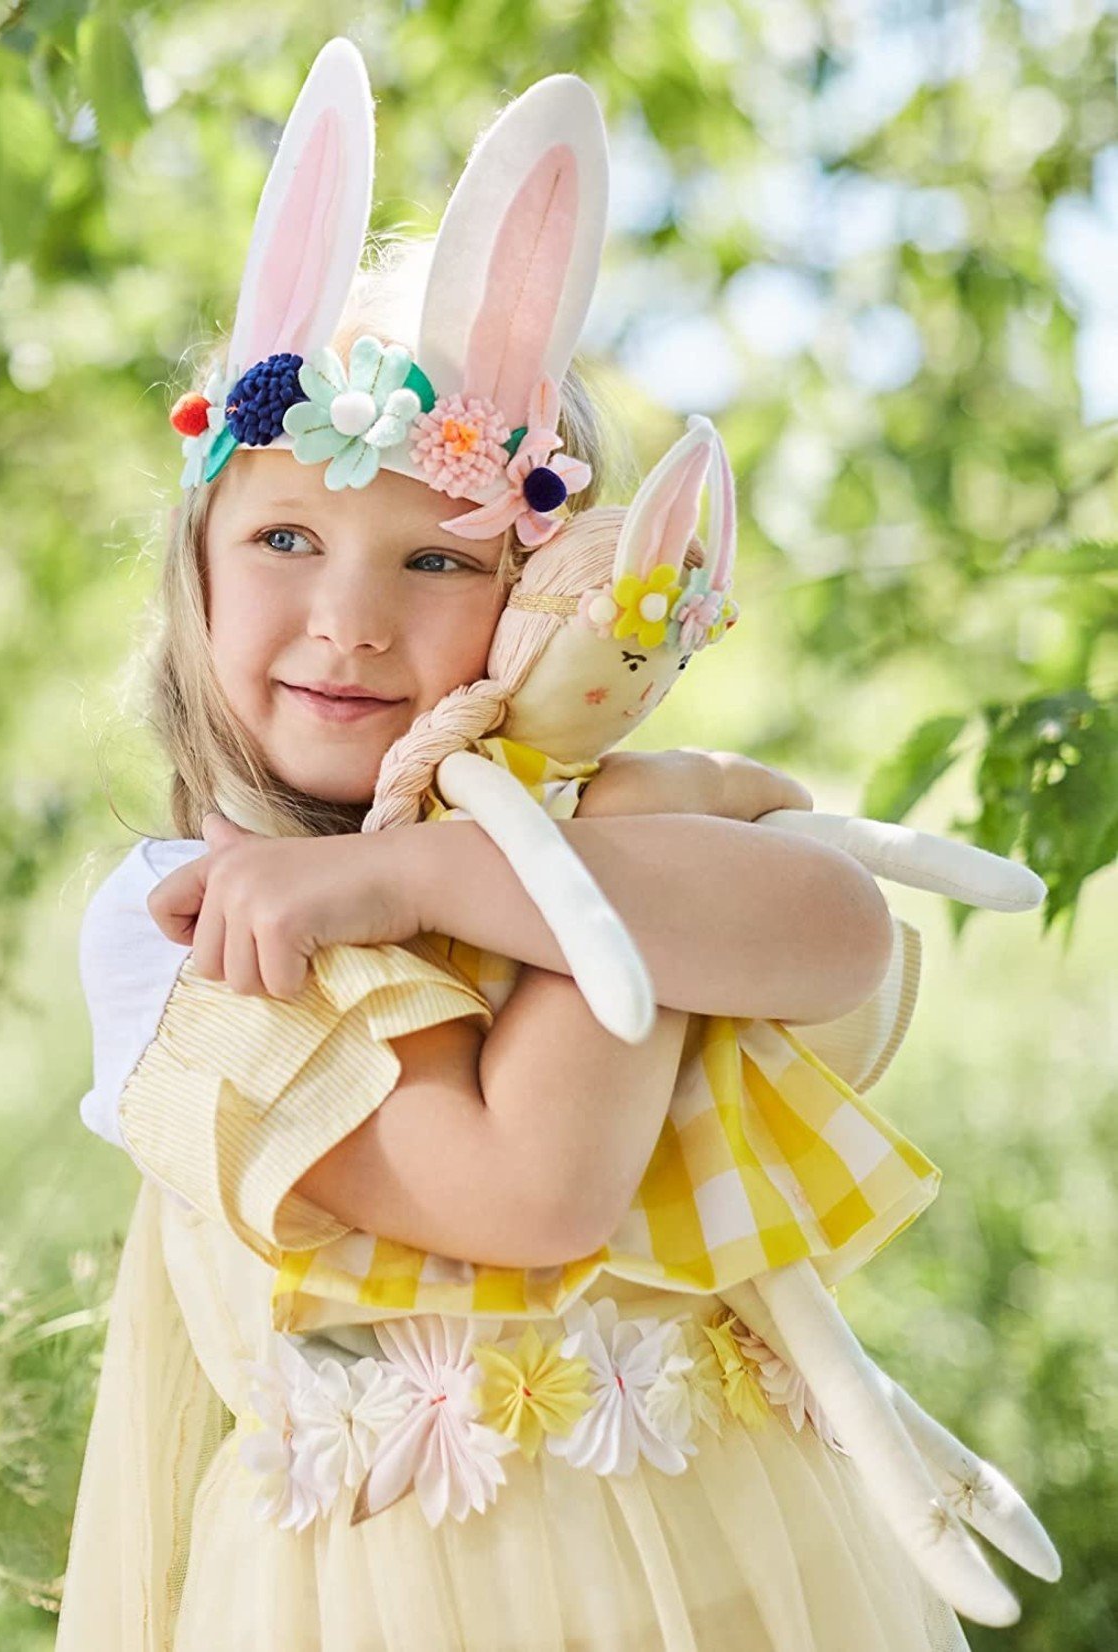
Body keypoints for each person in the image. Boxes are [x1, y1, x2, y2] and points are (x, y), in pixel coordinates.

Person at [55, 42, 976, 1651]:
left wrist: (456, 856)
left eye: (435, 558)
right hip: (406, 1597)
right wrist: (589, 862)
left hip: (734, 1567)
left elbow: (843, 934)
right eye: (285, 538)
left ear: (547, 606)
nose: (350, 620)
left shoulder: (584, 825)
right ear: (194, 570)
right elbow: (534, 1184)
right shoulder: (192, 919)